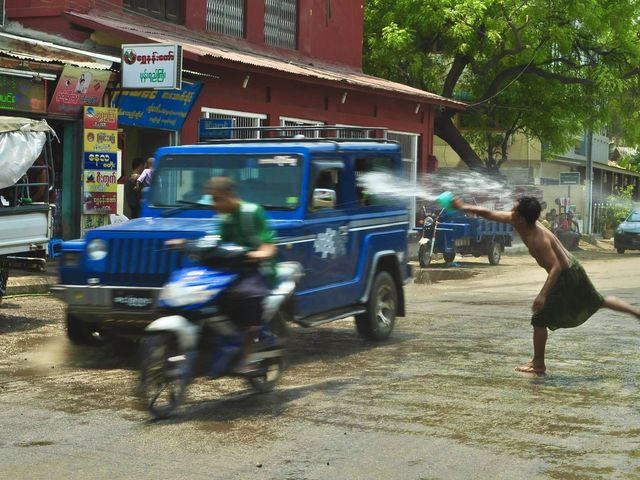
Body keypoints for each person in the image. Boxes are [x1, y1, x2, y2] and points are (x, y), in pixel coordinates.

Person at [451, 195, 640, 375]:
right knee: (598, 301)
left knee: (539, 319)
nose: (510, 211)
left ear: (522, 219)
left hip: (566, 274)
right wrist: (463, 207)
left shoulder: (537, 238)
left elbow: (556, 268)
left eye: (514, 210)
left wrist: (542, 295)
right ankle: (637, 313)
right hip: (575, 268)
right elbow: (489, 214)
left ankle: (538, 364)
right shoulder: (521, 221)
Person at [205, 176, 277, 373]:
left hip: (258, 270)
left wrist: (259, 253)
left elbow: (269, 244)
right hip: (233, 269)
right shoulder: (224, 218)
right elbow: (217, 242)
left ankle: (246, 357)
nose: (213, 205)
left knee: (246, 296)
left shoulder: (252, 212)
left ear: (229, 196)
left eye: (216, 199)